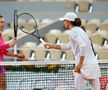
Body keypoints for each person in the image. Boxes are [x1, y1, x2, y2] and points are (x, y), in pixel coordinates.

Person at [44, 12, 101, 90]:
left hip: (83, 67)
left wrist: (80, 64)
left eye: (64, 20)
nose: (64, 22)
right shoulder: (80, 30)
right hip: (93, 65)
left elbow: (83, 46)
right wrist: (51, 45)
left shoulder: (73, 32)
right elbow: (68, 46)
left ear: (68, 22)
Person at [0, 15, 26, 90]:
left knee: (3, 85)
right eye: (1, 22)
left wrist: (16, 55)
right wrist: (10, 44)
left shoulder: (0, 35)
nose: (3, 24)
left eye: (3, 22)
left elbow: (3, 51)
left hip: (1, 65)